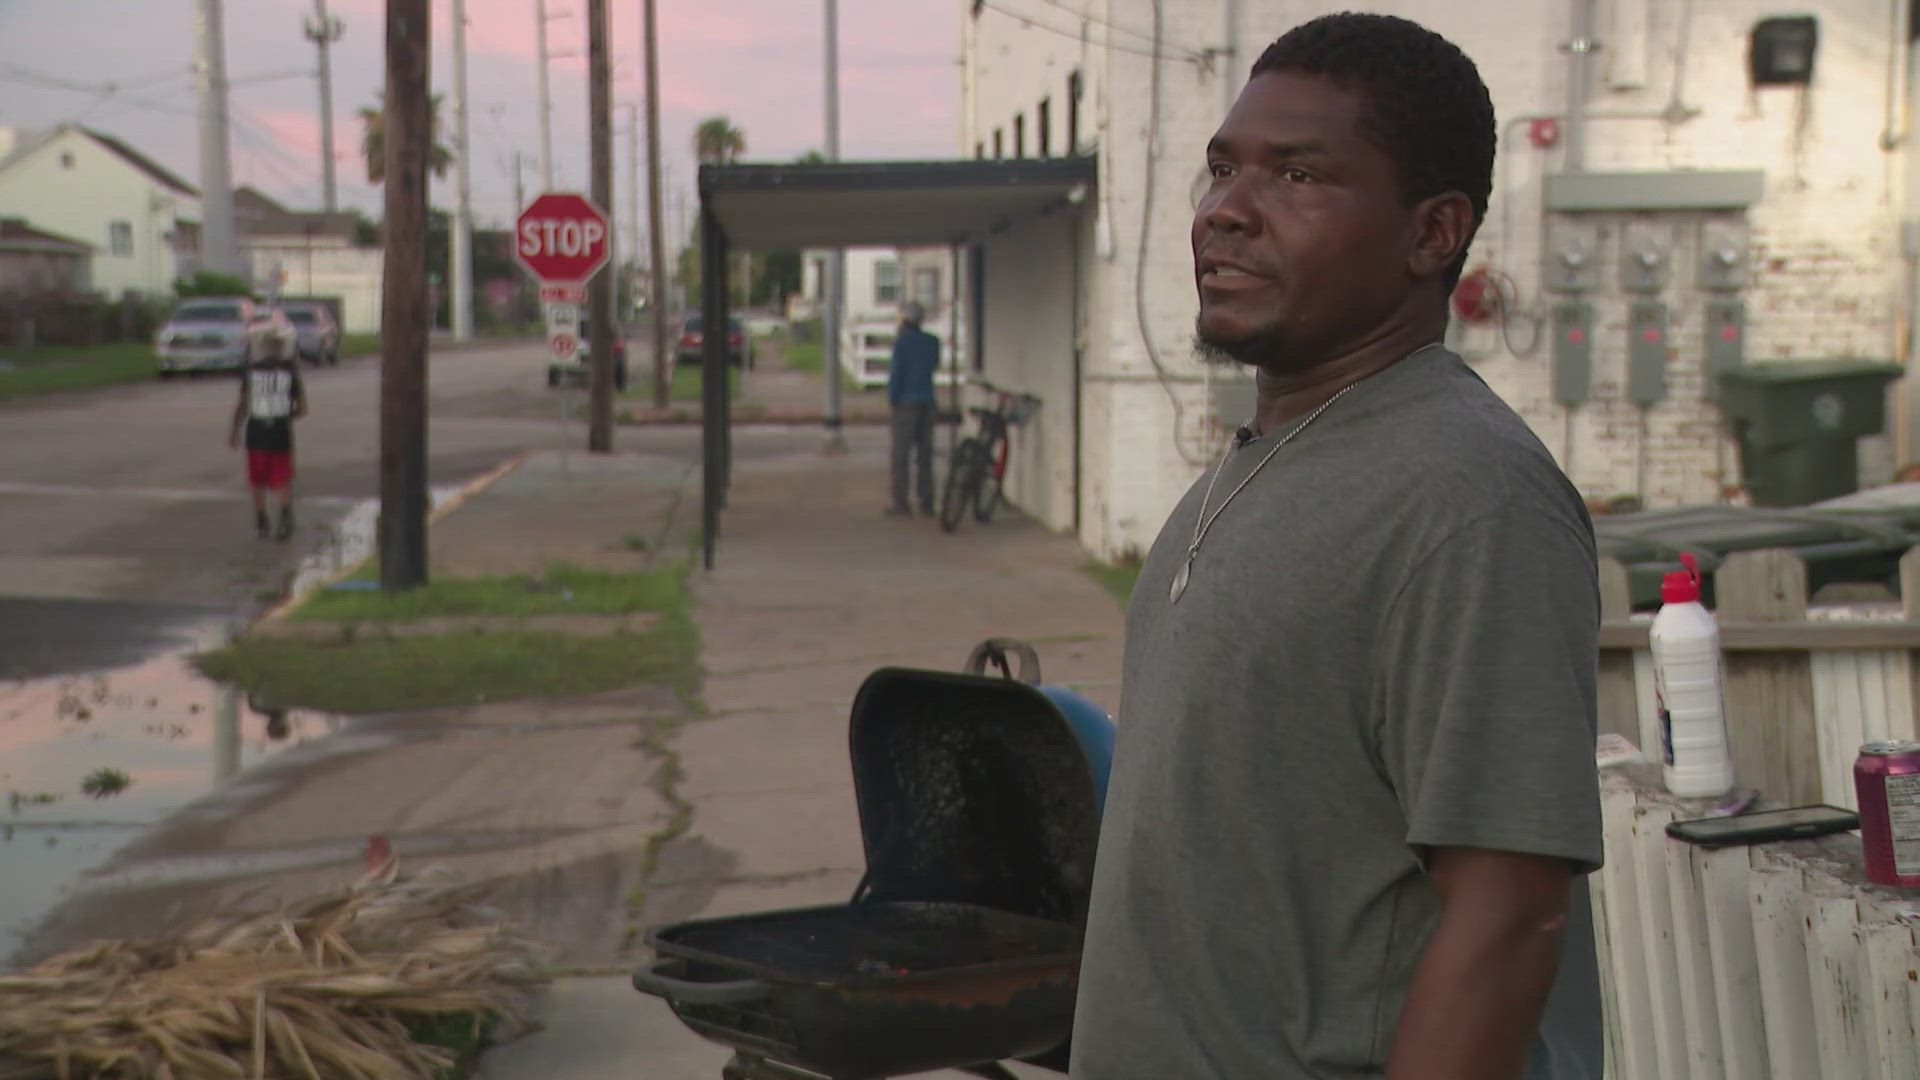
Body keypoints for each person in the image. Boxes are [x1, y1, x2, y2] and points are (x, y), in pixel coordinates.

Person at [1071, 14, 1603, 1080]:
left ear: (1431, 233)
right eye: (1222, 168)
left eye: (1299, 177)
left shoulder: (1466, 498)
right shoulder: (1259, 459)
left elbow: (1509, 918)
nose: (1225, 211)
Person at [228, 329, 306, 541]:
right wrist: (284, 414)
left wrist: (235, 431)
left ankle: (261, 518)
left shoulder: (251, 373)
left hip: (256, 431)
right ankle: (284, 516)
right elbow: (302, 408)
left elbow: (243, 404)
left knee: (257, 478)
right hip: (280, 431)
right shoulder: (290, 373)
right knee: (282, 477)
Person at [885, 300, 940, 516]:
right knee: (925, 455)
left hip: (906, 402)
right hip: (927, 399)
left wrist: (892, 397)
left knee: (901, 455)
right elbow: (934, 365)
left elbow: (897, 372)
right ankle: (927, 501)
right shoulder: (932, 342)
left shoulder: (902, 343)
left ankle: (901, 502)